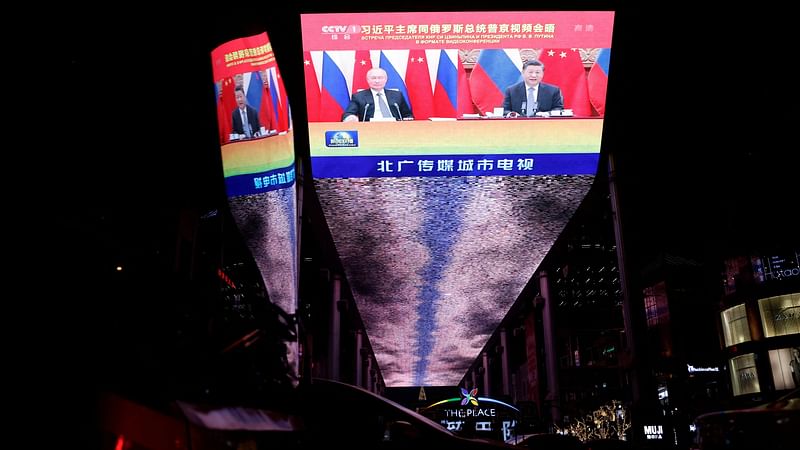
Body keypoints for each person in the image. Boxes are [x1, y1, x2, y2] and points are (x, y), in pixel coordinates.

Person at [342, 67, 413, 122]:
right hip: (369, 129)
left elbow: (407, 114)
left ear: (386, 79)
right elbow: (348, 114)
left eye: (380, 78)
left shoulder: (397, 95)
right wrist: (351, 118)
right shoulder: (358, 96)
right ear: (368, 80)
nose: (377, 81)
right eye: (373, 78)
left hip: (395, 128)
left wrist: (408, 119)